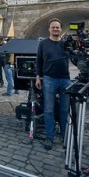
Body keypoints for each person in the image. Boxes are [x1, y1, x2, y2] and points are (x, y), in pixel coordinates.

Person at [35, 18, 71, 151]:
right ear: (49, 29)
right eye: (53, 27)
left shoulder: (65, 44)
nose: (55, 29)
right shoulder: (43, 44)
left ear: (61, 29)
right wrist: (38, 77)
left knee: (64, 110)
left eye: (57, 27)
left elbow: (76, 58)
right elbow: (39, 61)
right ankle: (50, 137)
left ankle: (64, 134)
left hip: (65, 80)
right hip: (49, 79)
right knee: (49, 110)